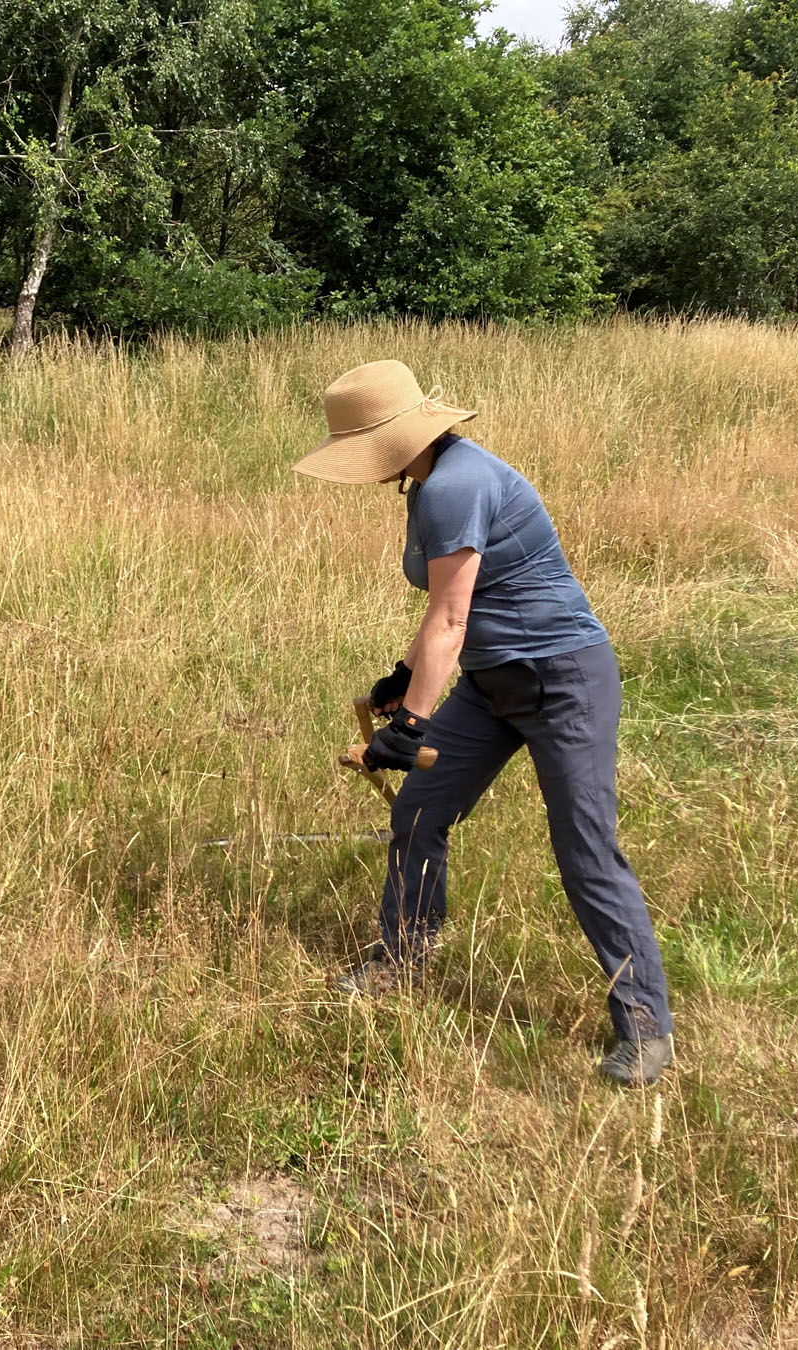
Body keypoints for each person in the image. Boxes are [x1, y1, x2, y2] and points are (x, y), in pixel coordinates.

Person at [294, 360, 675, 1087]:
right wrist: (405, 680)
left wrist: (409, 723)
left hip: (563, 680)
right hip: (493, 683)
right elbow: (447, 609)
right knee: (419, 809)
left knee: (585, 849)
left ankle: (646, 1027)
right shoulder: (432, 483)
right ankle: (400, 960)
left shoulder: (455, 485)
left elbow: (451, 616)